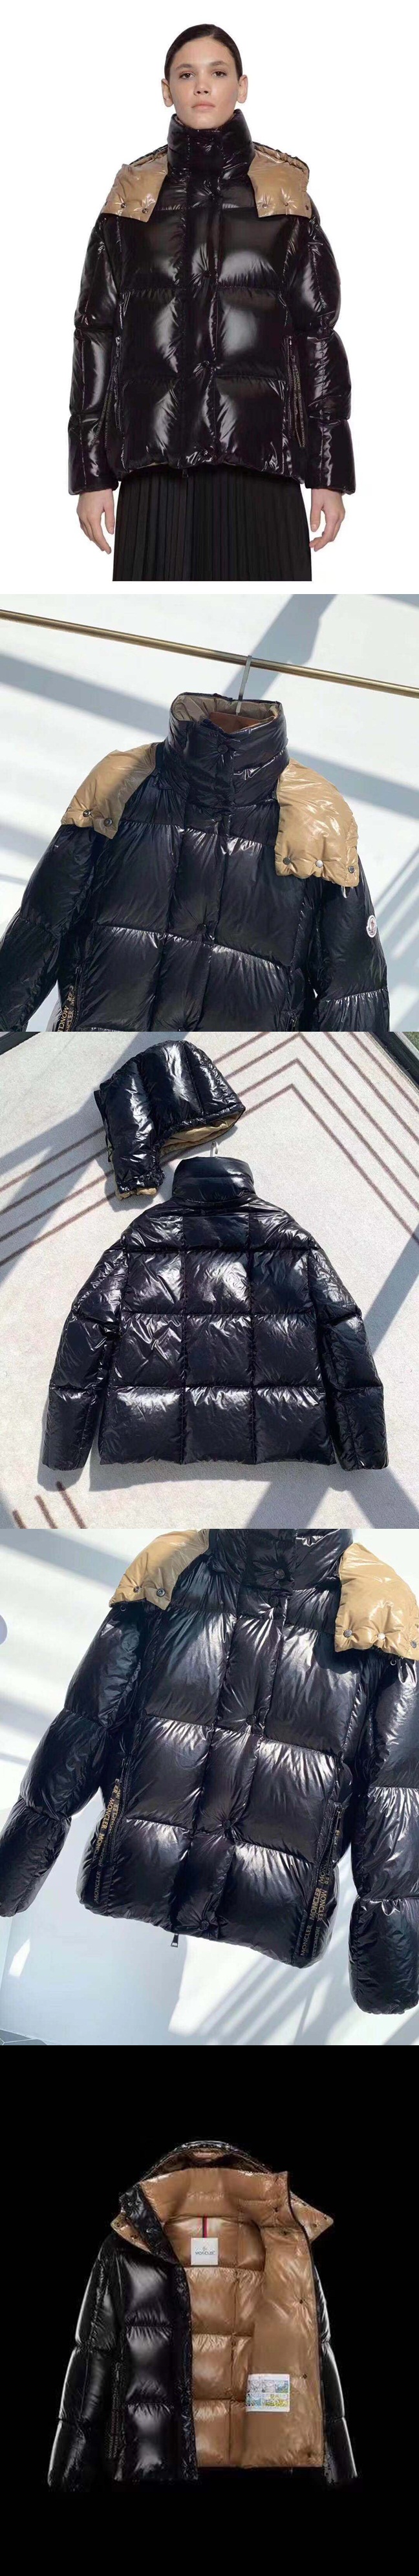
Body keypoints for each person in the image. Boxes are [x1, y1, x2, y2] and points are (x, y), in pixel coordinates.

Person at [71, 23, 355, 582]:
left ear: (241, 86)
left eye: (218, 73)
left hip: (262, 460)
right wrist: (91, 473)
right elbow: (95, 335)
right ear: (166, 90)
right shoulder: (131, 200)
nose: (202, 86)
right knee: (154, 620)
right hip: (156, 465)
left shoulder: (284, 196)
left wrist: (329, 471)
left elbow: (317, 336)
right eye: (186, 74)